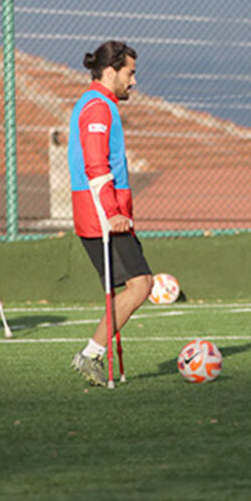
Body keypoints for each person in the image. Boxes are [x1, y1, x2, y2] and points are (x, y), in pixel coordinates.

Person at [68, 41, 153, 386]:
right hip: (102, 216)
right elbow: (95, 164)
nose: (133, 81)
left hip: (108, 214)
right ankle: (90, 355)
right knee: (140, 285)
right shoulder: (98, 108)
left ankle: (92, 354)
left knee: (138, 285)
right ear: (111, 71)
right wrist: (110, 212)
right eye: (130, 73)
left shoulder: (102, 105)